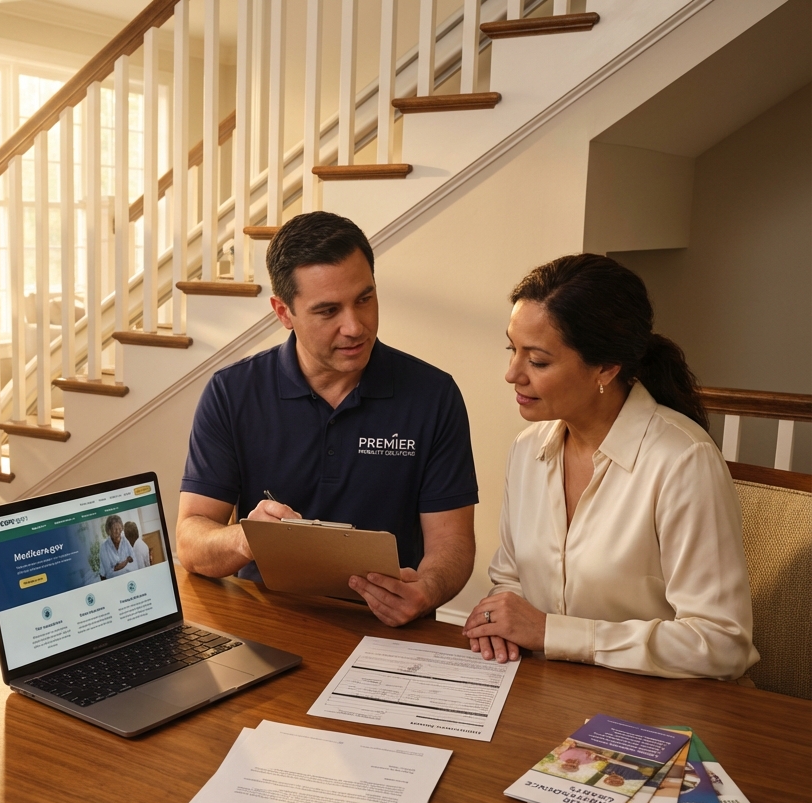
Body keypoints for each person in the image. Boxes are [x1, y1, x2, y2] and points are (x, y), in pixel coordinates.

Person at [463, 253, 758, 680]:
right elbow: (511, 582)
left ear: (605, 367)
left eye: (538, 360)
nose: (512, 374)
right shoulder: (528, 450)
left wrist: (553, 633)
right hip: (546, 693)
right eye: (513, 349)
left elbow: (721, 644)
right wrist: (502, 624)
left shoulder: (683, 460)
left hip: (657, 710)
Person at [176, 211, 479, 626]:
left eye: (365, 299)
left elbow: (453, 543)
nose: (355, 326)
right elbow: (192, 540)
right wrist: (247, 538)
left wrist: (426, 589)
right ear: (284, 313)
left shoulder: (434, 395)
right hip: (263, 619)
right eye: (328, 311)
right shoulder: (232, 393)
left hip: (386, 628)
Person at [99, 514, 134, 579]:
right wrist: (126, 561)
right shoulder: (104, 547)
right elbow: (109, 573)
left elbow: (133, 559)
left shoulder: (125, 540)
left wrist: (117, 567)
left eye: (119, 528)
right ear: (109, 531)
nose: (118, 531)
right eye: (115, 529)